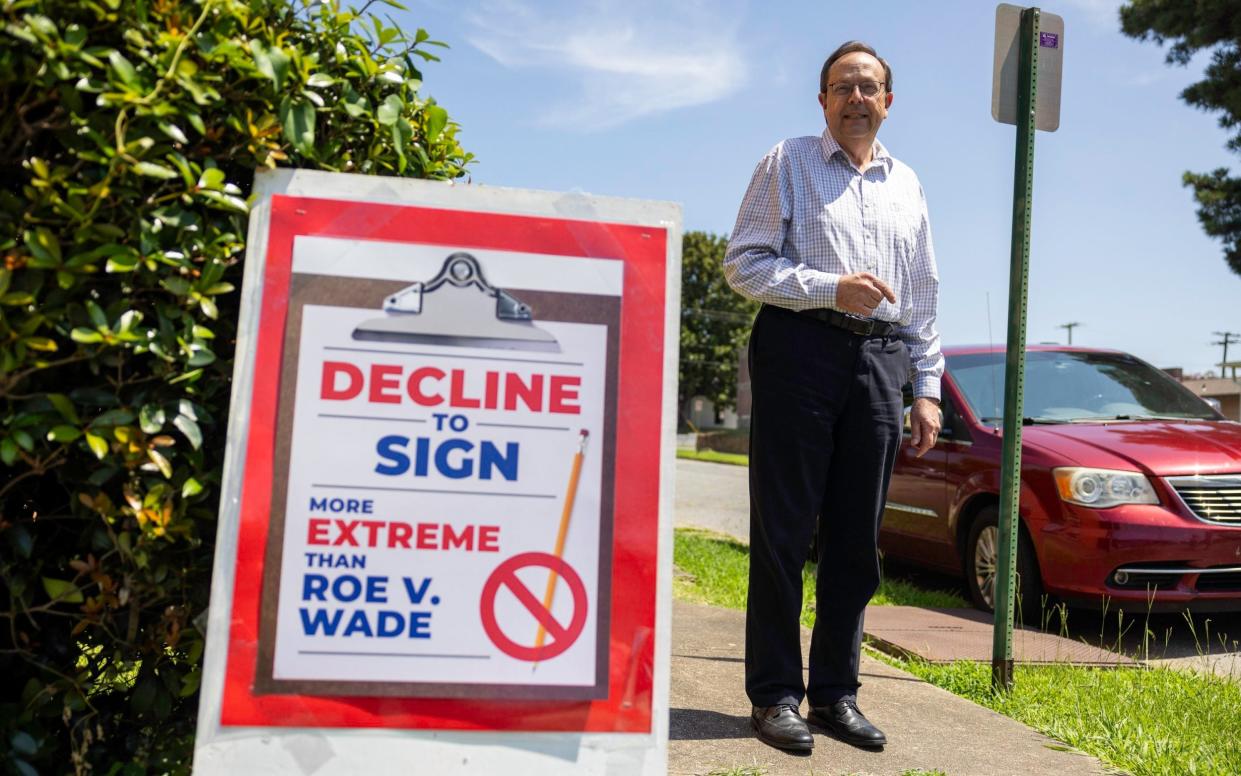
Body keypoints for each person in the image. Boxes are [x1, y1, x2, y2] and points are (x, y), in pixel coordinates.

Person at [723, 40, 944, 752]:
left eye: (868, 86)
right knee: (783, 533)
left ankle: (834, 695)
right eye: (842, 86)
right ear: (821, 101)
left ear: (887, 102)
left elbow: (922, 299)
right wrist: (829, 287)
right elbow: (743, 266)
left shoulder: (905, 184)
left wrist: (927, 389)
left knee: (855, 541)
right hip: (798, 347)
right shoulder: (785, 162)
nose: (856, 98)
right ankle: (774, 695)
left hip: (879, 361)